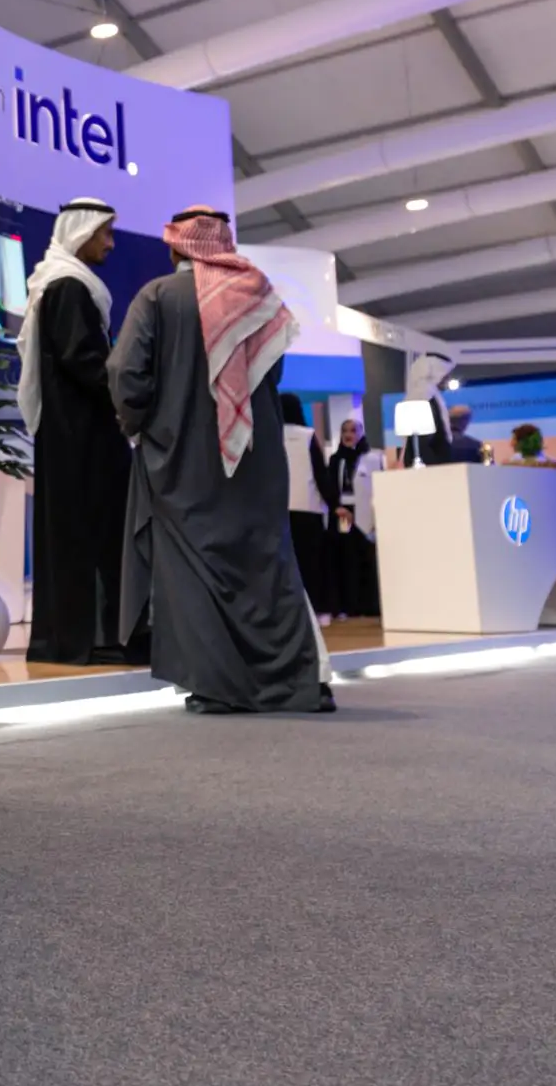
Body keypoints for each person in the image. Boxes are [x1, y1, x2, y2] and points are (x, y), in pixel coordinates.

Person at [112, 207, 333, 714]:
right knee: (266, 566)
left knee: (193, 569)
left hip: (180, 458)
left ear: (177, 248)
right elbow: (272, 378)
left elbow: (127, 374)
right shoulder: (260, 296)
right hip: (254, 459)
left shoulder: (157, 297)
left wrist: (139, 425)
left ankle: (218, 689)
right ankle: (296, 684)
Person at [16, 198, 134, 666]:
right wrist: (128, 392)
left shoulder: (67, 283)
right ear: (82, 234)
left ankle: (78, 638)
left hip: (73, 434)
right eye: (104, 233)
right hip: (81, 436)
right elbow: (84, 361)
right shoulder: (68, 286)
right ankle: (91, 639)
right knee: (90, 533)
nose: (110, 242)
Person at [282, 395, 337, 618]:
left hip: (280, 510)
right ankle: (317, 609)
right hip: (309, 509)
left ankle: (290, 612)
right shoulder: (308, 436)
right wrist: (335, 504)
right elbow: (321, 475)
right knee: (313, 563)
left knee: (287, 564)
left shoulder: (270, 435)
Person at [325, 418, 384, 619]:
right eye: (345, 431)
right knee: (345, 557)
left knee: (366, 558)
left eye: (353, 430)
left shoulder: (373, 457)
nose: (349, 435)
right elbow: (330, 486)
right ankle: (348, 605)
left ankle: (369, 605)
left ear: (361, 432)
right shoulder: (335, 459)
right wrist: (337, 507)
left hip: (366, 512)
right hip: (343, 513)